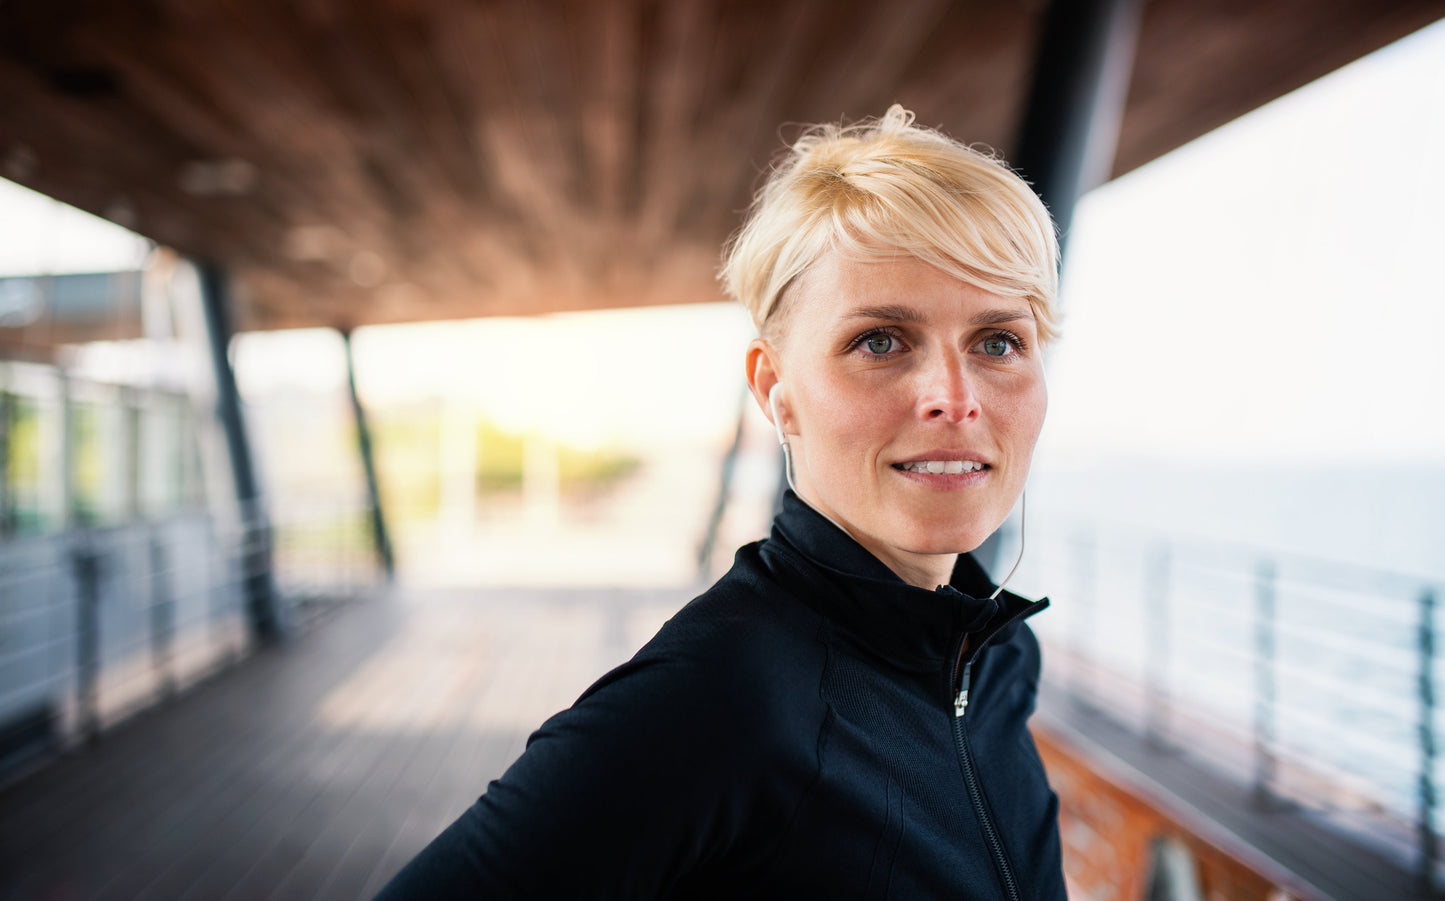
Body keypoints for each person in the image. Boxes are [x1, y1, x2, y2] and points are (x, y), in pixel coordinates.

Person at [376, 105, 1066, 900]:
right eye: (880, 340)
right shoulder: (720, 695)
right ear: (777, 391)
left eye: (997, 342)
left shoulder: (999, 659)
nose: (954, 396)